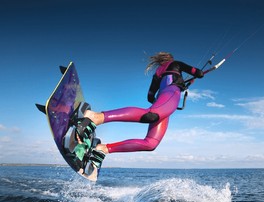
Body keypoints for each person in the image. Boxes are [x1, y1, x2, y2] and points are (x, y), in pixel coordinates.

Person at [75, 52, 204, 168]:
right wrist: (196, 75)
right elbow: (196, 72)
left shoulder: (157, 73)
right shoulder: (176, 64)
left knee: (151, 143)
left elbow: (150, 96)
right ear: (170, 59)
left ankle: (103, 149)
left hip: (163, 101)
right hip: (171, 94)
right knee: (152, 115)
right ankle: (97, 117)